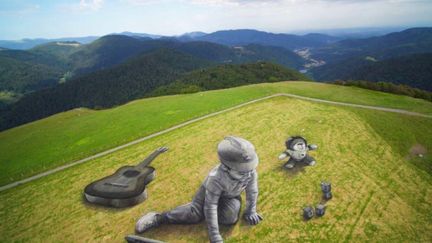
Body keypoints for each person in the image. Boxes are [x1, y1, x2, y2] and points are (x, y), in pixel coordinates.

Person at [135, 136, 263, 243]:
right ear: (226, 168)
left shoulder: (250, 173)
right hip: (207, 197)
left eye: (250, 168)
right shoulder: (215, 178)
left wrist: (251, 211)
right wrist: (215, 236)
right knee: (195, 214)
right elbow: (210, 206)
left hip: (229, 196)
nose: (248, 174)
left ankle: (211, 213)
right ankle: (158, 218)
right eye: (242, 171)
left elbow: (252, 191)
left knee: (229, 219)